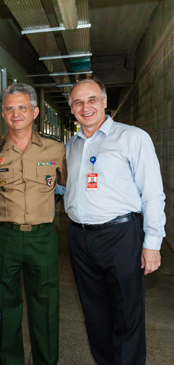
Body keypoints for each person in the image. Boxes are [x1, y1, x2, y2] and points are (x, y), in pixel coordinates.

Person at [64, 78, 165, 364]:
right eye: (78, 102)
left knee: (127, 314)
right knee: (95, 315)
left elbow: (153, 193)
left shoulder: (133, 137)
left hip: (120, 236)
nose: (86, 107)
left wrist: (152, 243)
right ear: (71, 109)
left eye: (92, 99)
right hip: (79, 238)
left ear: (105, 102)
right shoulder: (71, 146)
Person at [0, 83, 66, 365]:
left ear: (35, 112)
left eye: (22, 107)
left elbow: (70, 187)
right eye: (10, 108)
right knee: (5, 306)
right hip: (4, 237)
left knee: (46, 305)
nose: (16, 114)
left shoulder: (56, 149)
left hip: (42, 238)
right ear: (3, 114)